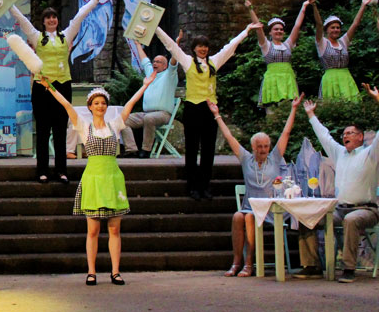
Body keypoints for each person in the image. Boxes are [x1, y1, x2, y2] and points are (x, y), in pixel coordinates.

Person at [41, 73, 156, 285]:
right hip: (93, 178)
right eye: (96, 103)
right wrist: (50, 87)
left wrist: (145, 85)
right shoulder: (84, 126)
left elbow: (130, 104)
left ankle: (115, 271)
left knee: (114, 228)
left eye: (103, 103)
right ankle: (91, 271)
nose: (100, 106)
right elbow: (67, 105)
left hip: (112, 178)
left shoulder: (115, 125)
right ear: (90, 106)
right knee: (92, 229)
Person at [10, 0, 107, 183]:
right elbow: (21, 20)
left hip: (62, 86)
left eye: (54, 17)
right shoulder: (36, 37)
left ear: (57, 20)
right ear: (44, 22)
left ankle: (62, 171)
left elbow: (80, 16)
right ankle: (42, 171)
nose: (52, 20)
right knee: (44, 131)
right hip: (42, 87)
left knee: (61, 130)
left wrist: (96, 0)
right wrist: (9, 3)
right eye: (48, 18)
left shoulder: (66, 35)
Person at [155, 21, 260, 200]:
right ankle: (192, 187)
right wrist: (156, 26)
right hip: (193, 108)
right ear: (194, 48)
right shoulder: (187, 62)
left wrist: (246, 30)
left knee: (208, 150)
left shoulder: (214, 62)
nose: (203, 49)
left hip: (210, 109)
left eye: (205, 46)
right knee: (192, 148)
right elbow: (171, 46)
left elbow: (230, 47)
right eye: (199, 46)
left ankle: (205, 186)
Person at [209, 95, 301, 277]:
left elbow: (286, 134)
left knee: (249, 217)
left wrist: (294, 109)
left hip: (269, 210)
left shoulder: (274, 158)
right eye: (259, 146)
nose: (263, 149)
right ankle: (236, 262)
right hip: (249, 208)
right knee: (237, 216)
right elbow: (229, 137)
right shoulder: (246, 159)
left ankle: (249, 265)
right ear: (253, 147)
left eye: (266, 146)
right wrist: (217, 115)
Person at [293, 96, 379, 282]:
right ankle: (312, 265)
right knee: (307, 217)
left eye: (350, 133)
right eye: (344, 133)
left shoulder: (370, 154)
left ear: (360, 137)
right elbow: (325, 136)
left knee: (351, 220)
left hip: (366, 209)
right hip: (340, 209)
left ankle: (348, 268)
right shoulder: (339, 153)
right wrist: (311, 114)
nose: (345, 136)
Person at [245, 0, 312, 112]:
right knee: (272, 111)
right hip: (272, 81)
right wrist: (250, 9)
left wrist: (304, 7)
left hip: (288, 79)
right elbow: (258, 28)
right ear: (270, 32)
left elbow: (297, 26)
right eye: (276, 29)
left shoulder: (288, 44)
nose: (279, 31)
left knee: (290, 110)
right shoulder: (266, 45)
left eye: (281, 29)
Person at [310, 0, 375, 101]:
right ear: (327, 30)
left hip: (346, 78)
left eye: (338, 27)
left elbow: (355, 24)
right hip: (330, 79)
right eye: (332, 28)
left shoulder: (343, 41)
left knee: (351, 104)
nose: (336, 30)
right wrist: (314, 6)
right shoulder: (322, 42)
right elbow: (319, 24)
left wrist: (363, 5)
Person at [124, 39, 180, 158]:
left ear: (165, 66)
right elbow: (144, 60)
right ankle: (131, 149)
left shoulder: (169, 75)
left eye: (159, 62)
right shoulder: (150, 73)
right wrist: (138, 44)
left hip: (163, 114)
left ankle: (146, 150)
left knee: (149, 118)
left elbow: (174, 63)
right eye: (154, 61)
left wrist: (176, 45)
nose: (155, 63)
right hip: (146, 114)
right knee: (123, 119)